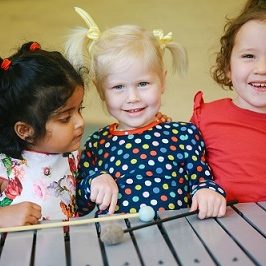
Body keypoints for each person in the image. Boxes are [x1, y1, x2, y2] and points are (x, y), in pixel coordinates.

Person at [65, 7, 226, 219]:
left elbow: (201, 180)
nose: (132, 97)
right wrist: (94, 181)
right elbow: (80, 206)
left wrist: (208, 192)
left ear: (163, 81)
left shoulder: (184, 135)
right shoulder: (97, 143)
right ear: (101, 90)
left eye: (142, 83)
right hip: (119, 240)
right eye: (118, 87)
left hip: (177, 235)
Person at [0, 41, 85, 228]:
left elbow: (86, 201)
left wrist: (99, 180)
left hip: (68, 252)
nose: (80, 122)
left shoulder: (74, 157)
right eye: (65, 118)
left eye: (80, 109)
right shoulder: (3, 166)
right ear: (26, 131)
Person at [191, 0, 266, 203]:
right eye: (249, 55)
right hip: (220, 229)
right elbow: (184, 174)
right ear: (227, 67)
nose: (262, 68)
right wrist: (199, 191)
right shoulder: (205, 118)